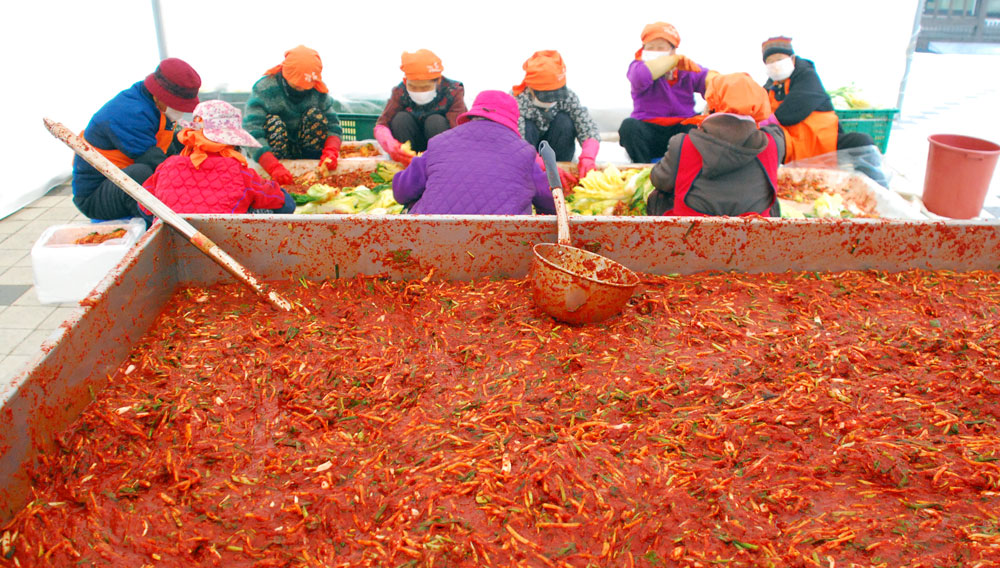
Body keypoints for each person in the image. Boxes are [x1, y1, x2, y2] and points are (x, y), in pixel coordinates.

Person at [72, 58, 201, 220]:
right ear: (159, 96)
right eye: (177, 105)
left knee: (181, 143)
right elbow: (156, 162)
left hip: (119, 177)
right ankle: (160, 227)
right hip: (96, 196)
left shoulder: (151, 103)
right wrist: (196, 184)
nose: (180, 111)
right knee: (142, 174)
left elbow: (169, 147)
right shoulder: (129, 112)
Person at [392, 91, 556, 215]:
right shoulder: (525, 154)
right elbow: (552, 202)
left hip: (428, 242)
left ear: (474, 114)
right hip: (503, 247)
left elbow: (401, 191)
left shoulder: (439, 143)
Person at [647, 73, 783, 217]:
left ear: (711, 105)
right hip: (753, 233)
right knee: (772, 200)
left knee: (658, 196)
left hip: (693, 233)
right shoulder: (773, 143)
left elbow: (659, 180)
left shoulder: (683, 144)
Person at [140, 100, 294, 221]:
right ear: (232, 143)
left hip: (172, 245)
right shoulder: (241, 174)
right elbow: (286, 205)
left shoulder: (167, 166)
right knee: (259, 208)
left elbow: (143, 205)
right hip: (224, 248)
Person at [760, 36, 875, 163]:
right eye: (770, 62)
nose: (775, 65)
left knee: (862, 142)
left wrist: (769, 121)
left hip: (825, 142)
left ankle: (874, 181)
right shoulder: (769, 87)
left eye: (779, 59)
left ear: (792, 59)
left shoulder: (807, 77)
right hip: (791, 147)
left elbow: (793, 110)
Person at [243, 45, 343, 186]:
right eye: (297, 85)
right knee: (273, 122)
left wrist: (331, 151)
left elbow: (333, 126)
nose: (302, 89)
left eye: (306, 86)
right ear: (286, 73)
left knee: (315, 115)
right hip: (274, 153)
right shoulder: (265, 89)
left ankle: (312, 162)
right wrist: (273, 166)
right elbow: (251, 132)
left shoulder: (317, 91)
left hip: (305, 148)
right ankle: (278, 164)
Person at [619, 22, 717, 164]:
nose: (655, 51)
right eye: (650, 48)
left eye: (661, 48)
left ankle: (689, 170)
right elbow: (640, 77)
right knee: (629, 127)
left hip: (680, 129)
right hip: (648, 130)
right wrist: (672, 61)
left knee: (698, 125)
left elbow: (712, 81)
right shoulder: (637, 67)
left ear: (672, 50)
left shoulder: (686, 69)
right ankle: (643, 170)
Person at [511, 50, 601, 178]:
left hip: (557, 147)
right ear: (531, 88)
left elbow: (587, 126)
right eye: (547, 96)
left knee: (564, 121)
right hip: (529, 153)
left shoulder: (568, 97)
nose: (553, 101)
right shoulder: (516, 101)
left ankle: (564, 167)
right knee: (527, 126)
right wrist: (543, 165)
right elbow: (516, 142)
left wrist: (588, 155)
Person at [374, 49, 467, 165]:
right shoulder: (400, 91)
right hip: (411, 144)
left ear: (438, 81)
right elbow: (383, 123)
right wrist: (389, 142)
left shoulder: (452, 91)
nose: (418, 91)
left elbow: (458, 128)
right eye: (412, 87)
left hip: (440, 144)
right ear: (405, 81)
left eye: (424, 87)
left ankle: (437, 165)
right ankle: (408, 165)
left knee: (435, 121)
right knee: (400, 118)